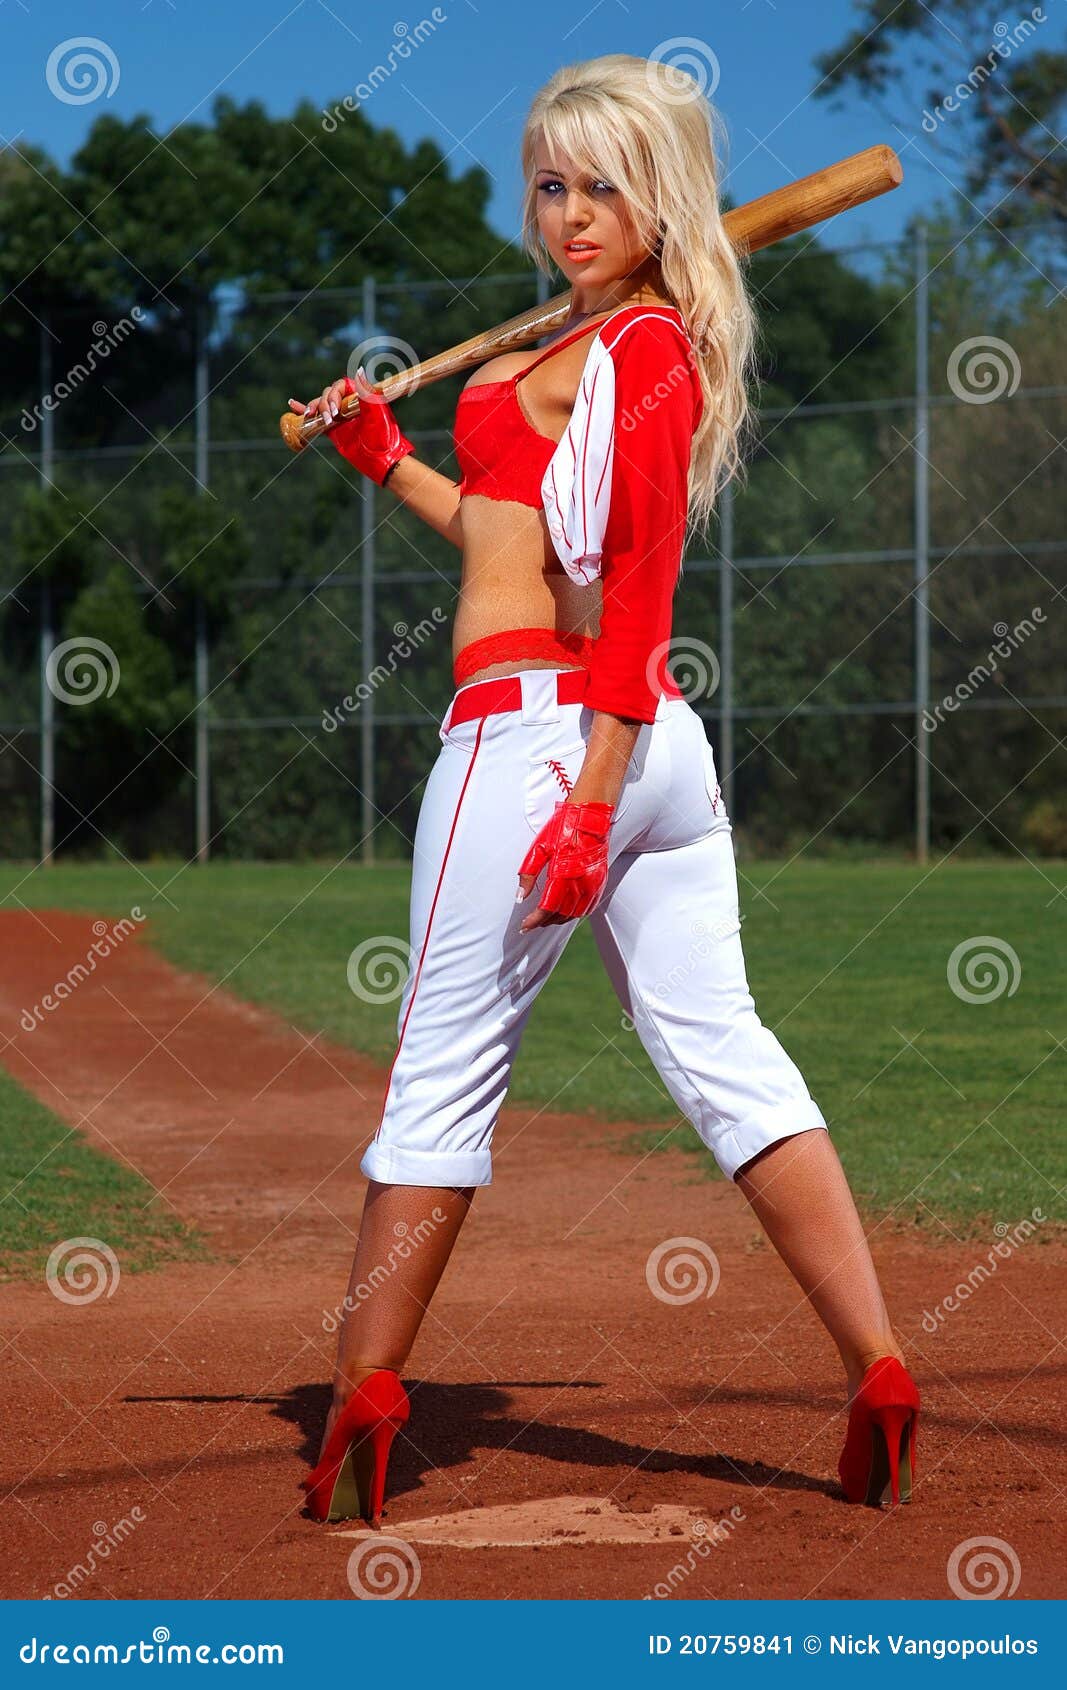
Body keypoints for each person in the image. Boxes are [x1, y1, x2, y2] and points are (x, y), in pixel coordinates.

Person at [288, 54, 920, 1527]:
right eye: (553, 183)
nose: (570, 212)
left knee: (440, 1068)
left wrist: (590, 789)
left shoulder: (644, 349)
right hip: (628, 746)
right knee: (725, 1049)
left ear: (663, 198)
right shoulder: (583, 341)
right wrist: (390, 458)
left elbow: (638, 581)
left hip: (556, 739)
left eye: (605, 185)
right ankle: (880, 1367)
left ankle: (363, 1403)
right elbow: (510, 545)